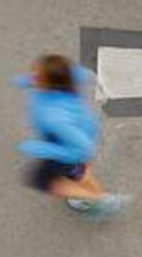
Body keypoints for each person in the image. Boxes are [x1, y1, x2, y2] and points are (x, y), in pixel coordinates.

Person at [13, 55, 128, 218]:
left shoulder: (54, 116)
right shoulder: (68, 77)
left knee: (43, 181)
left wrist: (41, 149)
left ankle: (100, 199)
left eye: (38, 76)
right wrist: (25, 81)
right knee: (80, 171)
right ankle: (97, 195)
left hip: (67, 150)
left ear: (48, 82)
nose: (34, 77)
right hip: (80, 131)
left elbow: (84, 149)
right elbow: (82, 74)